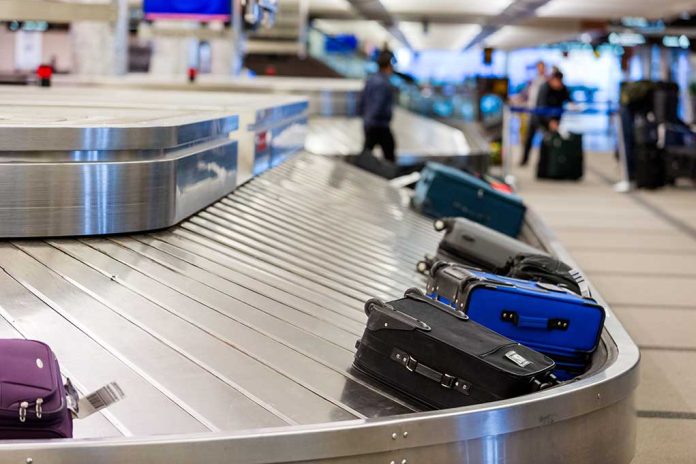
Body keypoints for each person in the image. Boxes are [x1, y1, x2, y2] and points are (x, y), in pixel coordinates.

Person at [359, 53, 396, 163]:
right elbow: (378, 104)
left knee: (368, 150)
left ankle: (361, 167)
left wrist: (365, 119)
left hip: (370, 122)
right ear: (388, 66)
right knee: (389, 151)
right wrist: (371, 120)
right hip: (379, 124)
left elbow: (363, 100)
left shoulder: (371, 80)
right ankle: (390, 174)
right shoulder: (383, 83)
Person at [520, 61, 547, 166]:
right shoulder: (533, 81)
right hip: (532, 112)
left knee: (544, 140)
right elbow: (528, 95)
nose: (540, 69)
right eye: (538, 67)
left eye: (542, 67)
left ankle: (543, 162)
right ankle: (525, 159)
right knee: (529, 138)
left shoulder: (546, 81)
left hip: (542, 114)